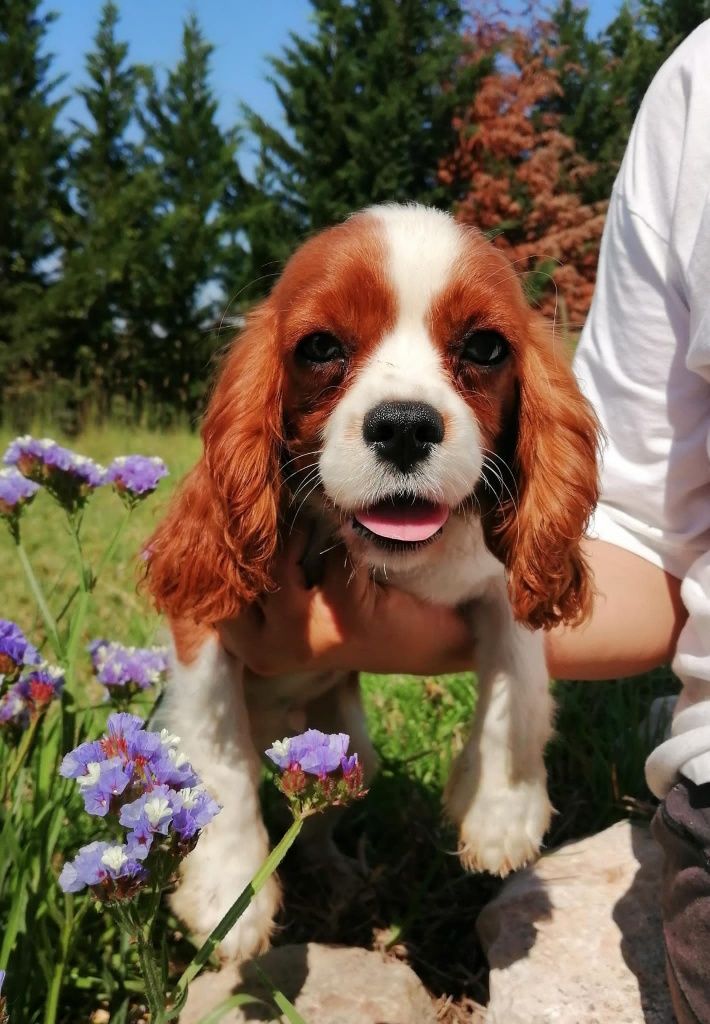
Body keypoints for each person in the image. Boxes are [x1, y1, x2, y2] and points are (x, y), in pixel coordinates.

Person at [219, 21, 710, 1024]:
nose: (405, 401)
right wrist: (341, 630)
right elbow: (649, 543)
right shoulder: (696, 91)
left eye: (476, 349)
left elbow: (546, 570)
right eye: (325, 350)